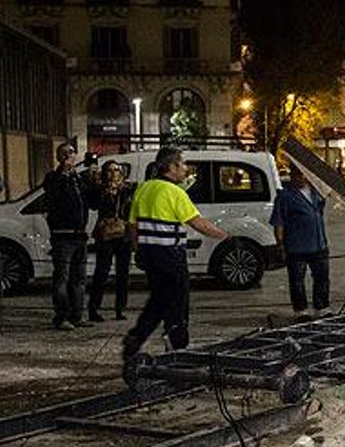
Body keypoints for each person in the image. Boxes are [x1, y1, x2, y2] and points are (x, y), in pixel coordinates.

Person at [122, 147, 227, 360]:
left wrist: (138, 249)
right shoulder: (175, 192)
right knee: (178, 302)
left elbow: (132, 225)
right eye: (182, 164)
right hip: (171, 256)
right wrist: (225, 236)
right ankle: (177, 348)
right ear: (171, 167)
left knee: (160, 299)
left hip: (150, 256)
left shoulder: (143, 188)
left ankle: (136, 336)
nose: (186, 169)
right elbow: (198, 223)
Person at [42, 143, 99, 330]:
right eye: (65, 153)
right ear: (59, 157)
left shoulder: (79, 179)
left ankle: (77, 315)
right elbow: (53, 196)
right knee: (62, 278)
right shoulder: (53, 178)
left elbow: (92, 202)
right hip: (62, 236)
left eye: (72, 153)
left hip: (80, 236)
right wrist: (65, 174)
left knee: (79, 279)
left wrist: (94, 182)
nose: (69, 156)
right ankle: (62, 316)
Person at [271, 166, 331, 320]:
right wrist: (280, 244)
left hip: (319, 244)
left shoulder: (316, 193)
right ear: (292, 176)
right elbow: (279, 223)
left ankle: (322, 307)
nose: (301, 178)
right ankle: (301, 311)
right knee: (297, 280)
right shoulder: (285, 196)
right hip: (297, 246)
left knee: (322, 277)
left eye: (303, 174)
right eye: (297, 175)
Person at [88, 160, 136, 322]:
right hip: (105, 234)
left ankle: (120, 308)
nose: (113, 173)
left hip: (123, 234)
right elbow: (93, 205)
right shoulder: (100, 190)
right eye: (109, 170)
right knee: (102, 271)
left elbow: (131, 208)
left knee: (123, 272)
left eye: (116, 170)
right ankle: (93, 308)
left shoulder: (127, 189)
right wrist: (104, 191)